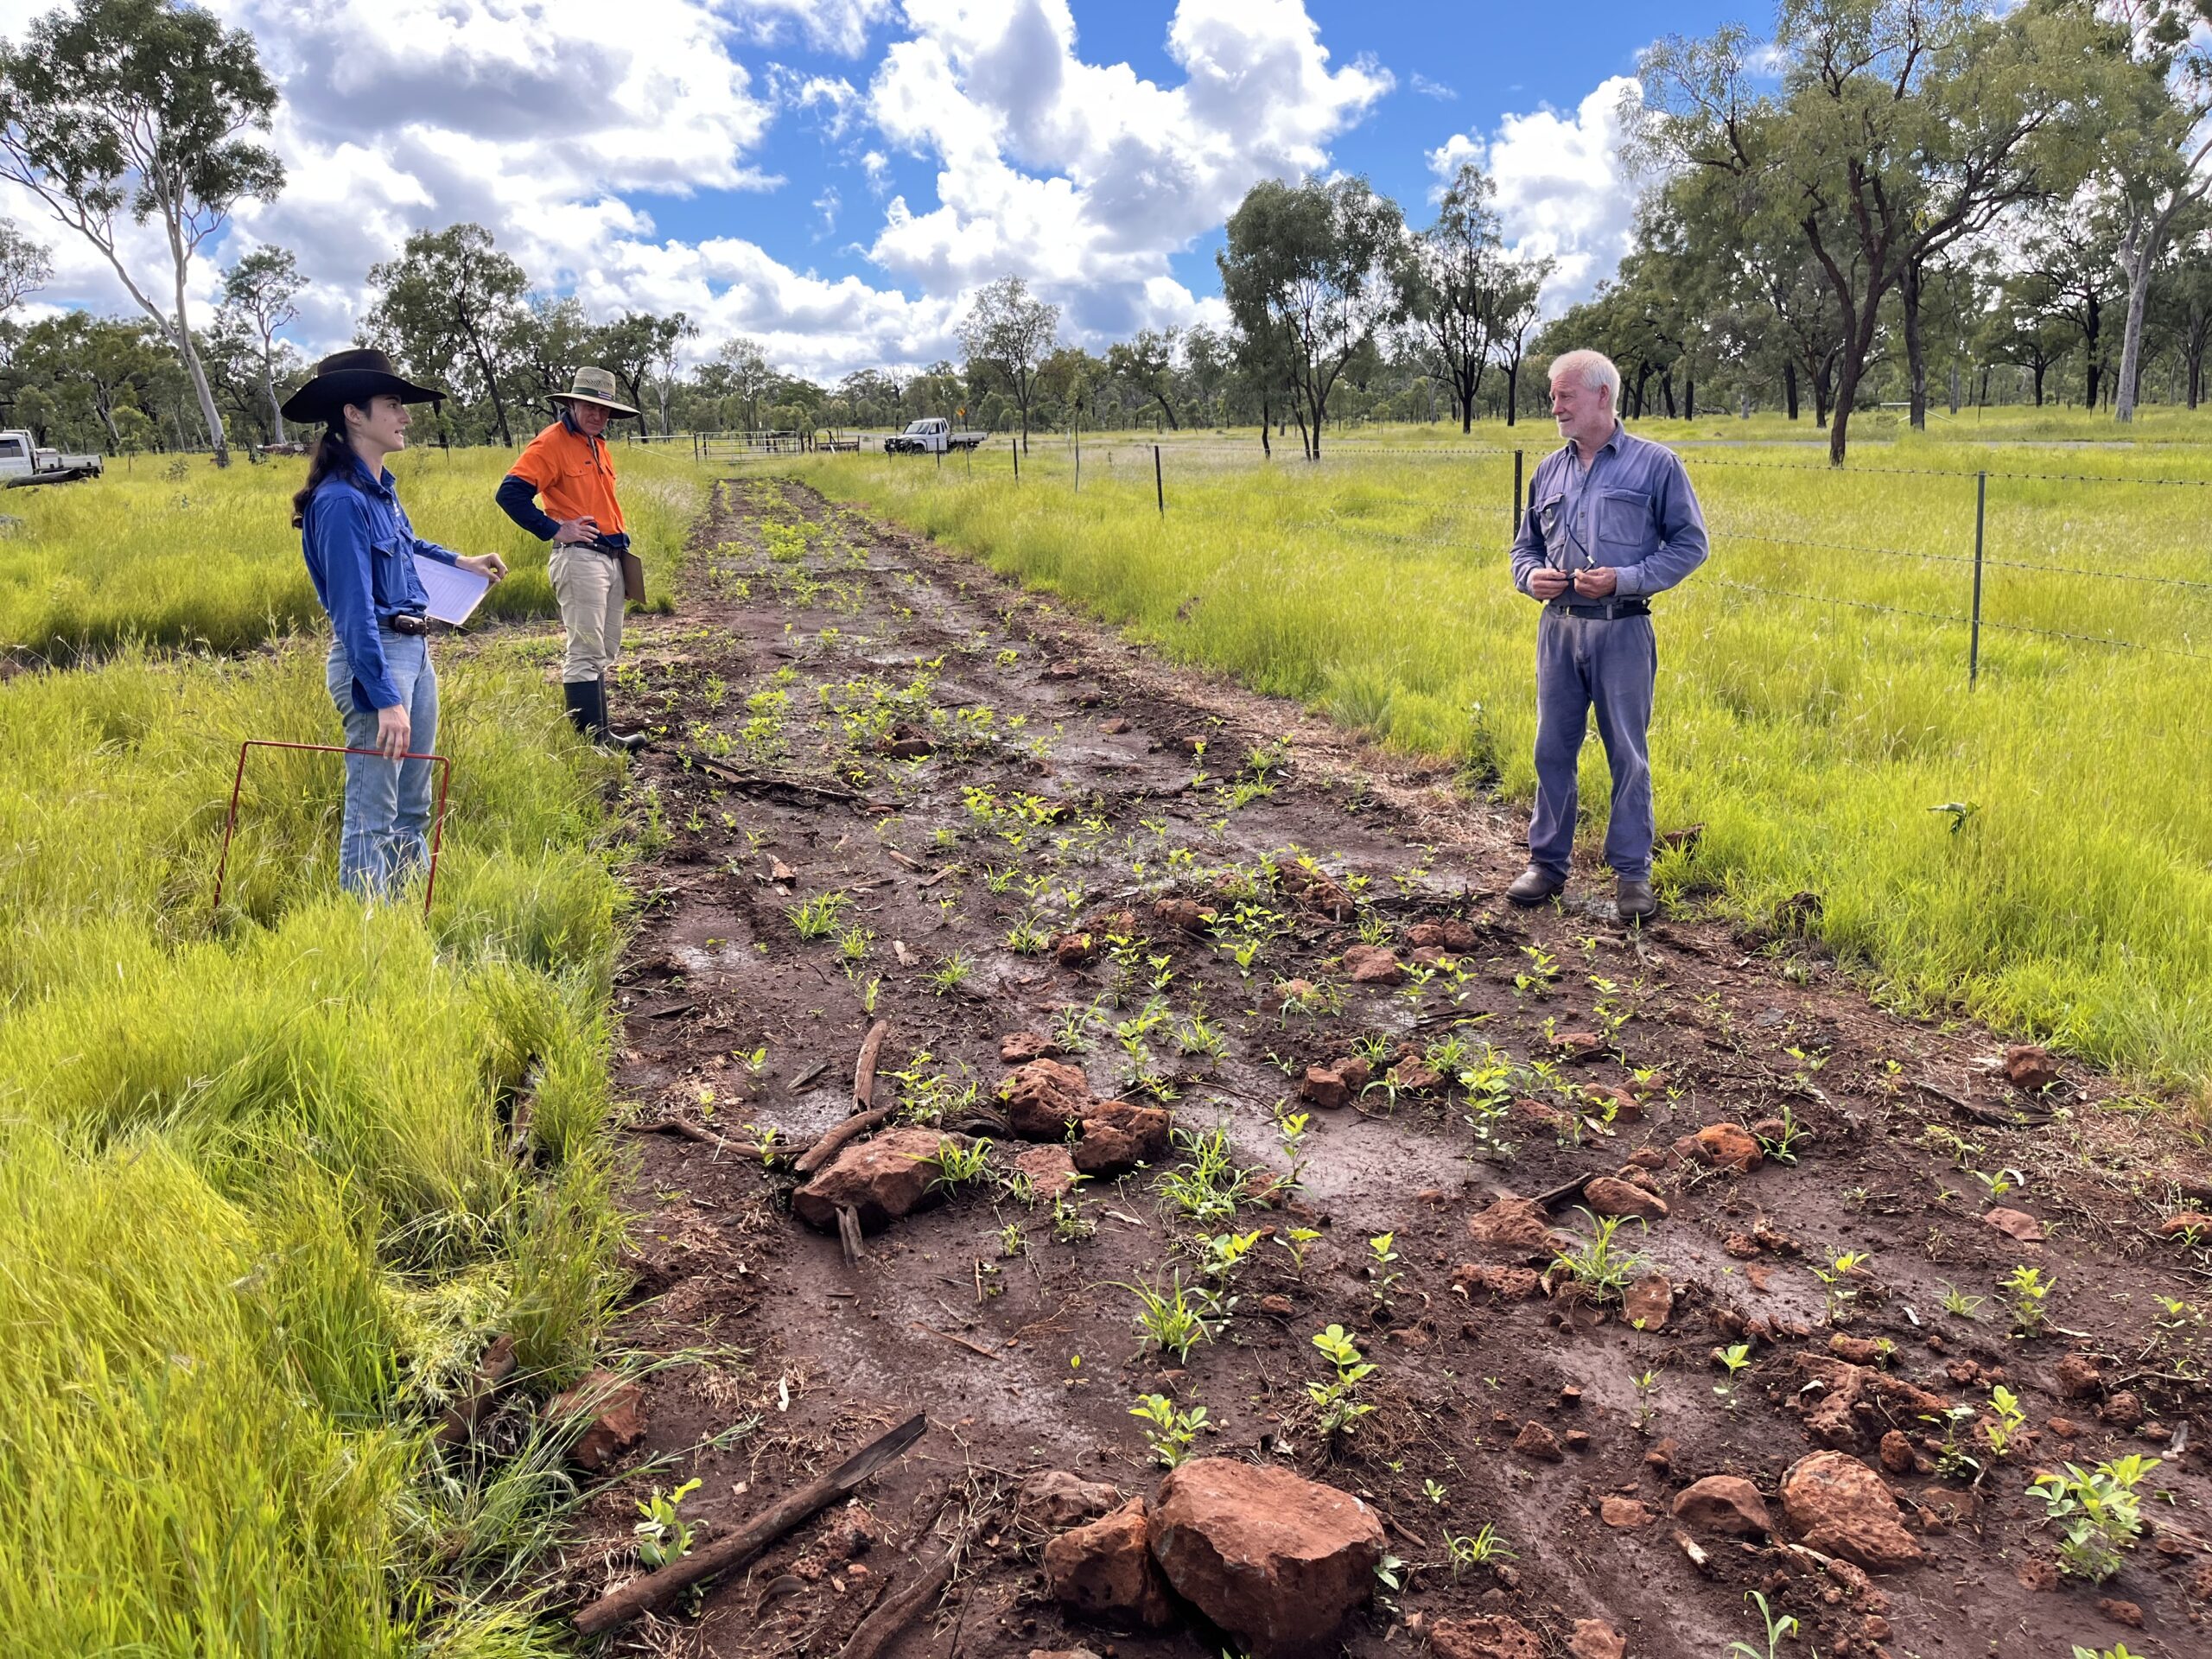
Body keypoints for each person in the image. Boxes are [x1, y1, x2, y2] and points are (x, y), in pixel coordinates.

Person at [286, 348, 507, 897]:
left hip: (415, 652)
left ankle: (404, 913)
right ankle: (368, 937)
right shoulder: (338, 503)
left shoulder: (381, 491)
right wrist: (384, 697)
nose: (405, 416)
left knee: (414, 801)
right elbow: (353, 611)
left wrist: (462, 562)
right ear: (353, 414)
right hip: (376, 661)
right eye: (393, 405)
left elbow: (408, 547)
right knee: (373, 811)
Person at [1504, 348, 1708, 923]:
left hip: (1623, 631)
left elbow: (1691, 545)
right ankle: (1546, 866)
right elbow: (1525, 548)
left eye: (1564, 396)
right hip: (1558, 631)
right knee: (1552, 751)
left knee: (1628, 756)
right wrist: (1530, 577)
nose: (1555, 408)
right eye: (1553, 397)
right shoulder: (1549, 470)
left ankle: (1632, 877)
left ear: (1601, 396)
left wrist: (1626, 579)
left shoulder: (1656, 465)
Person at [495, 365, 647, 750]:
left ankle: (603, 736)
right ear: (573, 403)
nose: (597, 415)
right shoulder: (551, 443)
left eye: (604, 409)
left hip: (611, 556)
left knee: (604, 649)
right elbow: (510, 494)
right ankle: (589, 746)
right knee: (584, 650)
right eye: (589, 406)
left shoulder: (597, 444)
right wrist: (556, 528)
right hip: (580, 558)